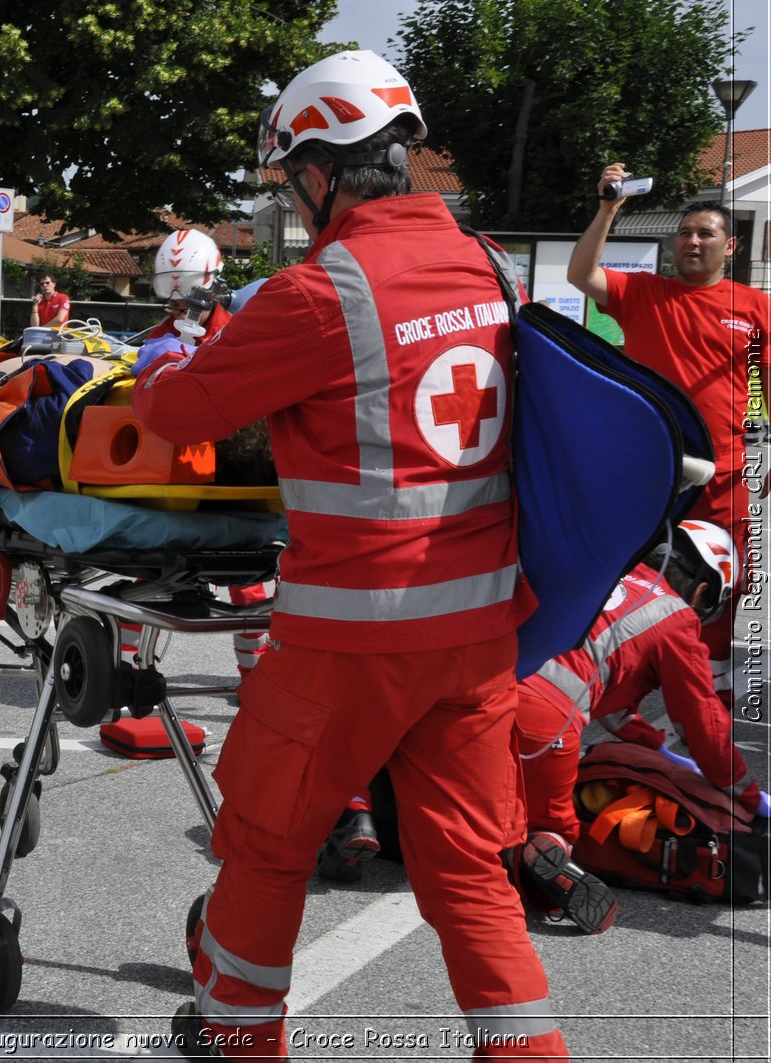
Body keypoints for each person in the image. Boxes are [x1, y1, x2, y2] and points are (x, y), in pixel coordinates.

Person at [133, 51, 568, 1059]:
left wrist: (156, 373)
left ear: (322, 172)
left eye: (293, 180)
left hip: (352, 636)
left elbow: (182, 411)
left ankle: (239, 1040)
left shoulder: (318, 290)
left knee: (263, 841)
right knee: (464, 867)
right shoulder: (495, 268)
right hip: (476, 637)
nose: (294, 199)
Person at [568, 180, 770, 710]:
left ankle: (714, 693)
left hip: (725, 477)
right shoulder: (643, 293)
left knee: (724, 585)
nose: (692, 242)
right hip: (648, 475)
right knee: (637, 577)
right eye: (684, 233)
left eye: (705, 233)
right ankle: (627, 691)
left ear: (731, 247)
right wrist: (609, 207)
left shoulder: (754, 308)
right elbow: (581, 274)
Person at [513, 520, 760, 932]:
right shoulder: (677, 618)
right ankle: (537, 863)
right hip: (547, 724)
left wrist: (650, 743)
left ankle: (369, 813)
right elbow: (702, 722)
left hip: (482, 690)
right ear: (702, 590)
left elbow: (608, 692)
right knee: (549, 825)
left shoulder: (606, 569)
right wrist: (745, 792)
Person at [143, 230, 230, 343]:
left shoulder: (233, 335)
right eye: (174, 305)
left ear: (213, 294)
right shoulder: (160, 336)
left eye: (191, 307)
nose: (183, 318)